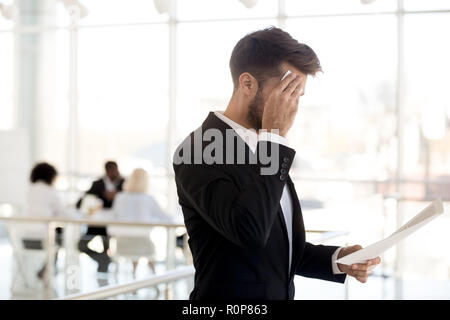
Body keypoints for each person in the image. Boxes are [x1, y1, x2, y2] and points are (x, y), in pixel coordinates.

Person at [173, 27, 381, 300]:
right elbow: (249, 232)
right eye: (287, 91)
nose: (293, 106)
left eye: (298, 95)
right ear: (247, 84)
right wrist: (274, 140)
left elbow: (275, 248)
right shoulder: (197, 151)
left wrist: (337, 259)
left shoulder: (266, 147)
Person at [110, 168, 173, 276]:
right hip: (143, 243)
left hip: (122, 243)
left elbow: (113, 217)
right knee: (144, 247)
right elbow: (165, 218)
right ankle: (154, 280)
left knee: (135, 246)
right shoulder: (148, 199)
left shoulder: (120, 197)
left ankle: (134, 277)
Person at [76, 161, 124, 272]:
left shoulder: (124, 184)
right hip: (97, 224)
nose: (114, 173)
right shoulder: (97, 184)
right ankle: (103, 260)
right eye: (111, 171)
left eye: (115, 170)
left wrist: (117, 195)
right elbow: (81, 202)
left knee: (107, 247)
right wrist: (99, 200)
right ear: (106, 171)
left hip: (116, 225)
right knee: (81, 245)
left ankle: (104, 269)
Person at [22, 162, 65, 279]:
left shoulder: (29, 190)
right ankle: (49, 269)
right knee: (61, 237)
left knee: (56, 236)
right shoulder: (51, 192)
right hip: (44, 240)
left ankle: (46, 269)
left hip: (25, 240)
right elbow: (63, 213)